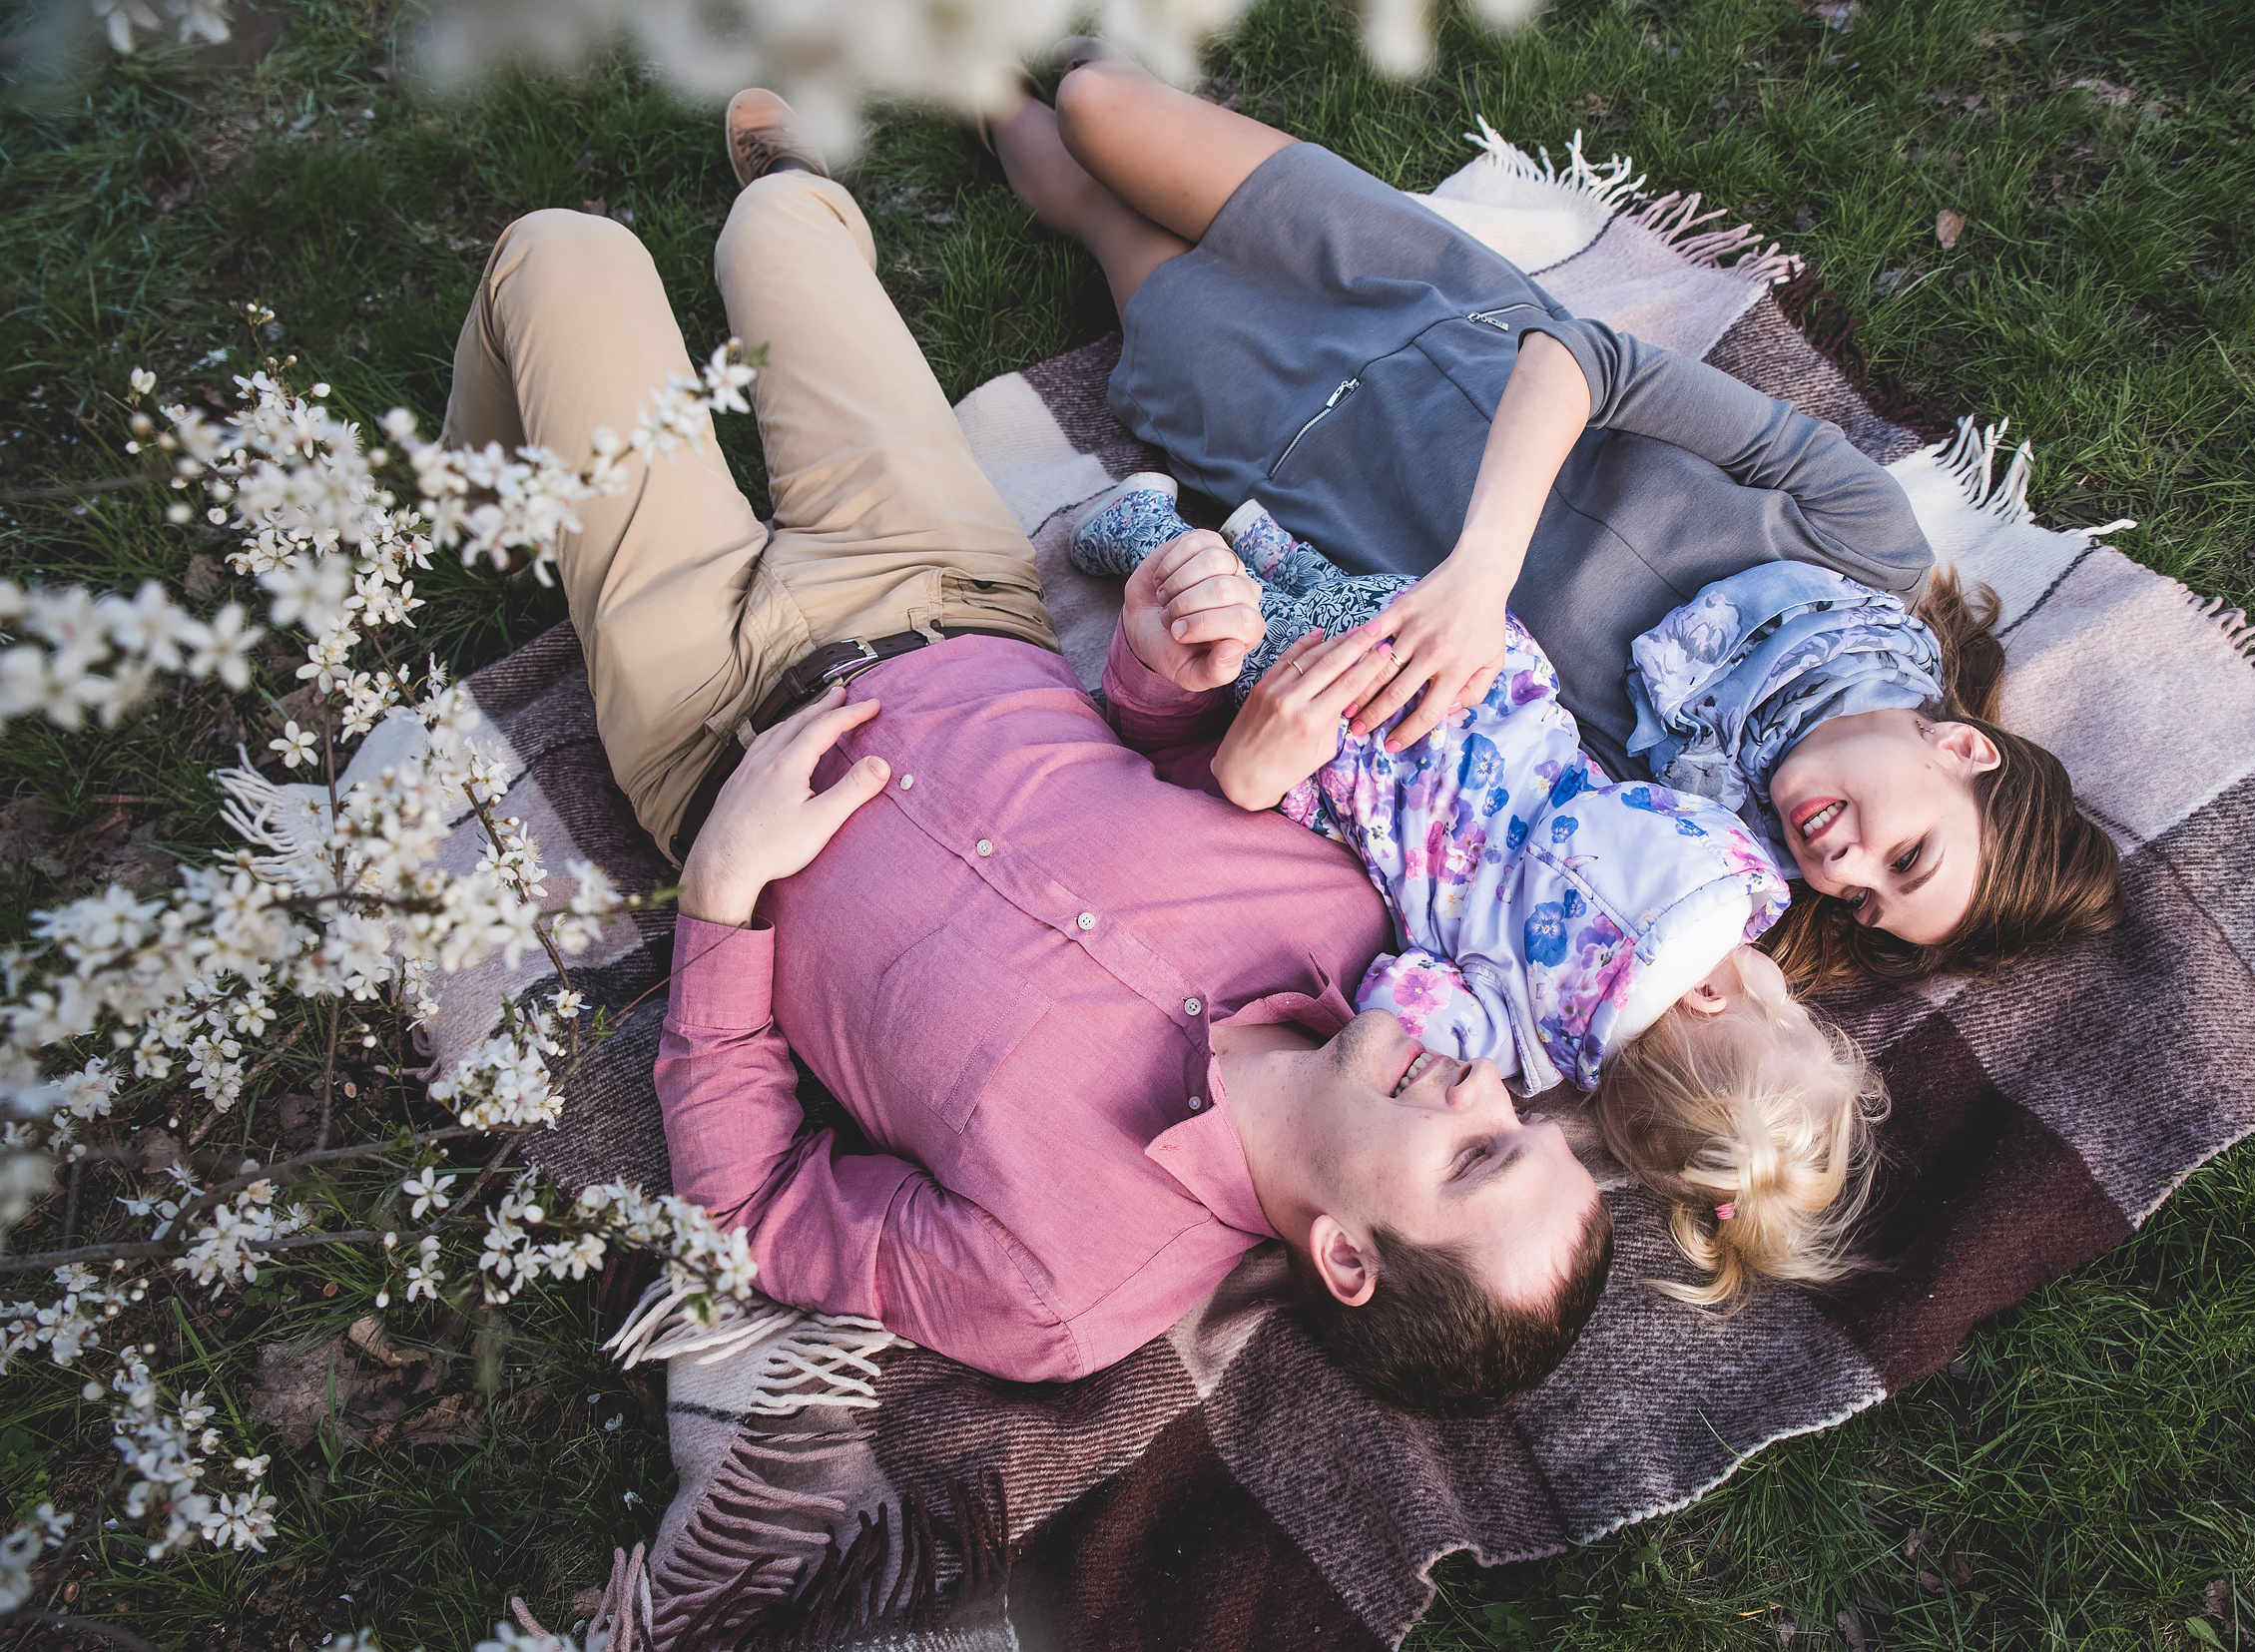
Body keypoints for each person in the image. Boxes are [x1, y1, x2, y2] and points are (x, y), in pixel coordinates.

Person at [438, 90, 1611, 1416]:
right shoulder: (1342, 912)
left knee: (563, 256)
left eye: (1472, 1159)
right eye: (1515, 1119)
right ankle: (795, 206)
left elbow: (753, 1213)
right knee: (779, 226)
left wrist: (721, 900)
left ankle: (490, 478)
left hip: (710, 708)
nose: (1477, 1087)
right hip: (941, 581)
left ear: (1346, 1253)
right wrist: (1164, 663)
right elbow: (1141, 762)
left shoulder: (1058, 1285)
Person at [987, 44, 2122, 984]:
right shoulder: (1861, 547)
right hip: (1422, 293)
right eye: (1908, 855)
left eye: (1867, 905)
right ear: (1959, 747)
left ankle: (950, 60)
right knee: (1095, 101)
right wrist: (1478, 580)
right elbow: (1580, 355)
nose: (1848, 869)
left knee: (1087, 206)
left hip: (1284, 435)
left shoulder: (1669, 813)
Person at [1075, 480, 1887, 1307]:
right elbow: (1392, 1002)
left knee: (1328, 602)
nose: (1790, 986)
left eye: (1789, 1012)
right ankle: (1143, 532)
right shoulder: (1517, 1042)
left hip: (1465, 663)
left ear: (1713, 993)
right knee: (1251, 640)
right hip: (1359, 744)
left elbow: (1667, 796)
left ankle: (1249, 541)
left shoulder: (1718, 868)